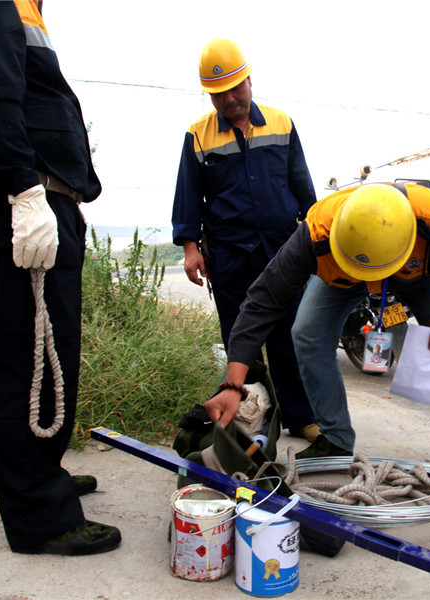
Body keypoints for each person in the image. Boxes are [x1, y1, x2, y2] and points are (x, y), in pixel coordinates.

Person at [0, 0, 122, 553]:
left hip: (39, 196)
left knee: (49, 360)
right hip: (21, 198)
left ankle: (39, 475)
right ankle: (39, 515)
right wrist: (24, 188)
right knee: (25, 363)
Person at [204, 183, 430, 488]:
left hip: (414, 273)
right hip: (342, 275)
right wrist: (234, 385)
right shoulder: (314, 235)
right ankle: (335, 440)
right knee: (307, 334)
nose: (372, 281)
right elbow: (262, 302)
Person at [171, 38, 319, 441]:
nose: (229, 99)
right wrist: (190, 248)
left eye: (235, 88)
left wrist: (316, 238)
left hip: (283, 252)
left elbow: (302, 187)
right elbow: (188, 195)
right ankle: (254, 422)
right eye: (218, 94)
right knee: (241, 341)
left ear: (249, 80)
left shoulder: (282, 124)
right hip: (230, 257)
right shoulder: (198, 135)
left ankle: (300, 416)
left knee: (289, 337)